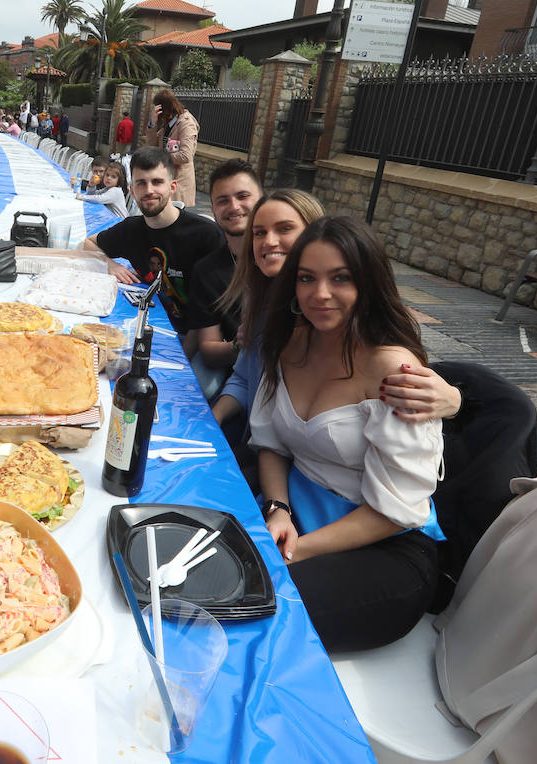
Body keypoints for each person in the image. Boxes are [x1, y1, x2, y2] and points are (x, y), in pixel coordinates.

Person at [250, 215, 446, 652]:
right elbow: (272, 444)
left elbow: (395, 511)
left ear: (368, 284)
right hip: (294, 514)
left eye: (340, 278)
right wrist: (278, 507)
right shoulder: (290, 344)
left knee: (252, 606)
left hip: (383, 550)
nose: (320, 294)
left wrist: (297, 550)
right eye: (307, 278)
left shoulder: (393, 370)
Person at [213, 192, 460, 434]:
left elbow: (393, 377)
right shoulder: (264, 306)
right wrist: (215, 417)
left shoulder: (332, 317)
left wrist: (455, 399)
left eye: (285, 228)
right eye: (259, 233)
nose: (269, 241)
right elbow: (245, 379)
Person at [82, 146, 223, 336]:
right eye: (141, 183)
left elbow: (215, 311)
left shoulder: (205, 235)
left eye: (157, 182)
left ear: (172, 187)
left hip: (194, 336)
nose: (149, 191)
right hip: (151, 325)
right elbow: (88, 243)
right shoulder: (131, 229)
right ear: (132, 190)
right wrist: (109, 264)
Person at [182, 159, 262, 398]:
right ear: (213, 209)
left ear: (262, 199)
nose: (234, 206)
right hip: (234, 367)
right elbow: (208, 349)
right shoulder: (208, 270)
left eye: (243, 196)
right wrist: (243, 345)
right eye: (223, 200)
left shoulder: (281, 258)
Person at [143, 89, 200, 207]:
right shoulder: (168, 124)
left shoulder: (186, 123)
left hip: (178, 182)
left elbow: (186, 155)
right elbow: (152, 146)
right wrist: (152, 123)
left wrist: (161, 157)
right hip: (165, 178)